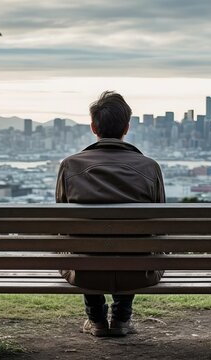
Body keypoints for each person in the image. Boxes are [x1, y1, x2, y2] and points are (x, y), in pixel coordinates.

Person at [55, 91, 166, 337]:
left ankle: (96, 320)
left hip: (84, 270)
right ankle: (121, 319)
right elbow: (159, 222)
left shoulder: (70, 166)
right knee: (137, 245)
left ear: (93, 126)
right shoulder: (150, 167)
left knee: (81, 245)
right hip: (139, 271)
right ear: (126, 128)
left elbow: (62, 221)